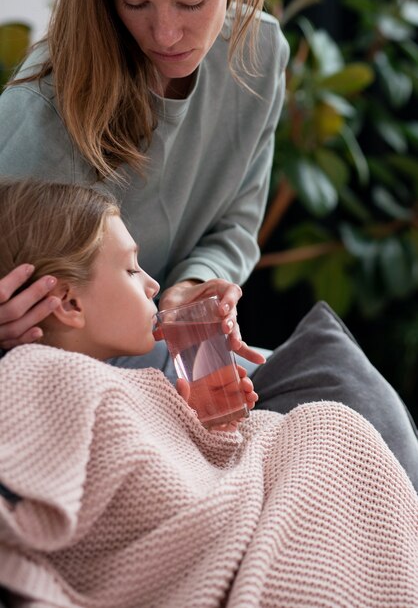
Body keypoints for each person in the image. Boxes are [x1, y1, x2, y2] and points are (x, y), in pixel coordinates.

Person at [0, 0, 417, 488]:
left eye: (192, 1)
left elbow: (236, 225)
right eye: (134, 3)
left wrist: (188, 292)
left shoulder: (259, 54)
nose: (166, 33)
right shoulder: (37, 110)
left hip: (179, 328)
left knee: (350, 391)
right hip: (64, 358)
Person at [1, 178, 418, 608]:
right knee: (328, 427)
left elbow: (174, 465)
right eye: (130, 270)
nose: (152, 285)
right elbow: (145, 497)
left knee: (330, 423)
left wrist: (212, 427)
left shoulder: (116, 380)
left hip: (230, 504)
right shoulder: (39, 375)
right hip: (204, 539)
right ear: (70, 304)